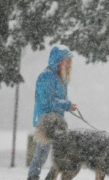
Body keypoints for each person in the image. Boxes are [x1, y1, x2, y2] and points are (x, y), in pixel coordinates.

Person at [27, 45, 77, 180]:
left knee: (61, 152)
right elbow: (46, 101)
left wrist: (67, 105)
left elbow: (57, 100)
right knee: (42, 153)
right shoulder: (47, 76)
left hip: (57, 122)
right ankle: (33, 177)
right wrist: (66, 105)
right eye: (67, 61)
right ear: (59, 60)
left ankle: (48, 177)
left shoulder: (61, 77)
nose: (69, 65)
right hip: (46, 122)